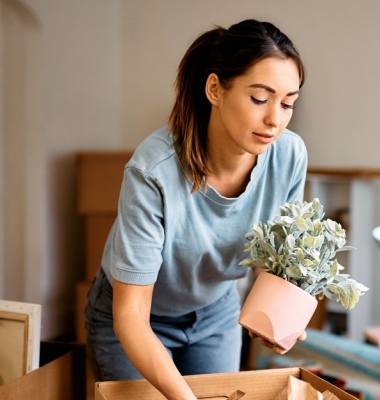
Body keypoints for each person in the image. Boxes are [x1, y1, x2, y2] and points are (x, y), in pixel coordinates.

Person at [84, 19, 308, 399]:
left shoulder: (289, 154)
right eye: (259, 98)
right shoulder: (153, 171)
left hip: (216, 310)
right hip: (135, 321)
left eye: (288, 103)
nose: (275, 119)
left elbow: (281, 257)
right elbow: (131, 315)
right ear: (215, 89)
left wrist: (277, 310)